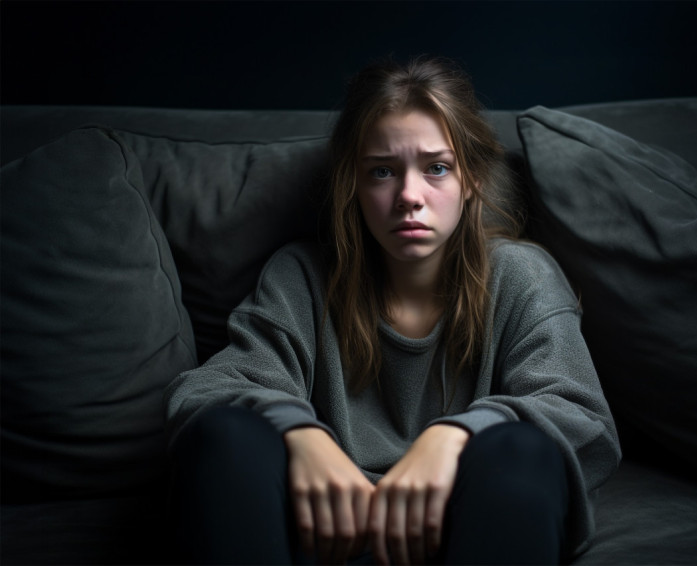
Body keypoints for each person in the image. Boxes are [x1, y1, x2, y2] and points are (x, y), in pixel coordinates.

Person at [165, 56, 620, 565]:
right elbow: (203, 392)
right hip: (329, 533)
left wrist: (453, 435)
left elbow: (583, 417)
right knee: (228, 431)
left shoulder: (520, 274)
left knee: (522, 449)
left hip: (472, 526)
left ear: (469, 179)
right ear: (353, 185)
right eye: (382, 171)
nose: (409, 196)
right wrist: (300, 433)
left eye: (436, 169)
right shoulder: (303, 276)